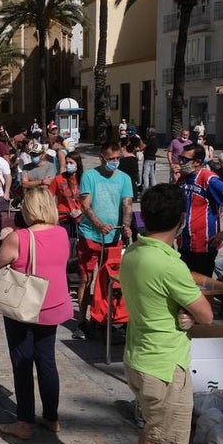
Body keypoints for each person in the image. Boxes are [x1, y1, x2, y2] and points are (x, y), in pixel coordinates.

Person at [118, 183, 213, 444]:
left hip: (140, 355)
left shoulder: (135, 252)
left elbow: (158, 299)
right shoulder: (170, 264)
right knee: (158, 441)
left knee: (151, 429)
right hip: (163, 364)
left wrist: (180, 312)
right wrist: (189, 310)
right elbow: (204, 313)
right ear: (180, 219)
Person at [0, 189, 75, 440]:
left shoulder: (19, 238)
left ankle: (24, 421)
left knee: (23, 362)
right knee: (47, 360)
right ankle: (51, 416)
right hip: (53, 304)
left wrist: (4, 238)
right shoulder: (61, 233)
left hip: (24, 307)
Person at [74, 142, 133, 336]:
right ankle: (82, 320)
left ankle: (105, 317)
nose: (114, 162)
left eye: (117, 159)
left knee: (111, 280)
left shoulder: (124, 178)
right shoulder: (90, 176)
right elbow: (85, 205)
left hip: (114, 237)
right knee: (86, 278)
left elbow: (127, 204)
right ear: (102, 157)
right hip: (91, 235)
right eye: (111, 159)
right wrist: (99, 224)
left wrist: (126, 226)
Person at [176, 145, 223, 276]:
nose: (180, 162)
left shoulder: (209, 179)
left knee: (202, 287)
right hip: (184, 242)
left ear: (197, 162)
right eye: (180, 158)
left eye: (184, 159)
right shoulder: (183, 177)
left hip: (204, 244)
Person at [50, 151, 83, 243]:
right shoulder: (58, 179)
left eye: (71, 163)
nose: (68, 165)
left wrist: (81, 210)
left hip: (82, 219)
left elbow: (91, 199)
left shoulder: (85, 178)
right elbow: (48, 197)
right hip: (64, 218)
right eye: (67, 163)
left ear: (78, 164)